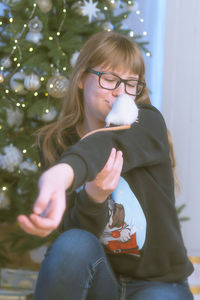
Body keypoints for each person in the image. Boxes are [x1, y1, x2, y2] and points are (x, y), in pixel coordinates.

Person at [17, 31, 194, 300]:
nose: (121, 92)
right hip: (99, 281)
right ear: (80, 79)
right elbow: (75, 239)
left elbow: (109, 143)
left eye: (131, 83)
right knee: (72, 244)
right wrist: (92, 198)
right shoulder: (55, 142)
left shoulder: (147, 122)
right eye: (109, 79)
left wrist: (63, 173)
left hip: (158, 284)